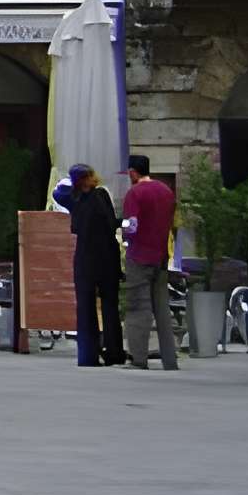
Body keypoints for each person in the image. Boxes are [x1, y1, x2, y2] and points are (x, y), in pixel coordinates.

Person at [118, 154, 181, 373]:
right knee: (162, 309)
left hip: (140, 256)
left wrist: (125, 235)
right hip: (161, 256)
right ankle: (170, 360)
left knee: (138, 308)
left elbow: (131, 224)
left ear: (133, 172)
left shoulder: (134, 193)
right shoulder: (166, 191)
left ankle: (138, 358)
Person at [65, 162, 125, 367]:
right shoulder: (100, 196)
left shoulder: (74, 199)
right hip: (105, 256)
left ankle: (87, 354)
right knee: (109, 306)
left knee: (85, 307)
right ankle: (114, 351)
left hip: (84, 257)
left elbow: (74, 226)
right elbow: (110, 223)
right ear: (90, 176)